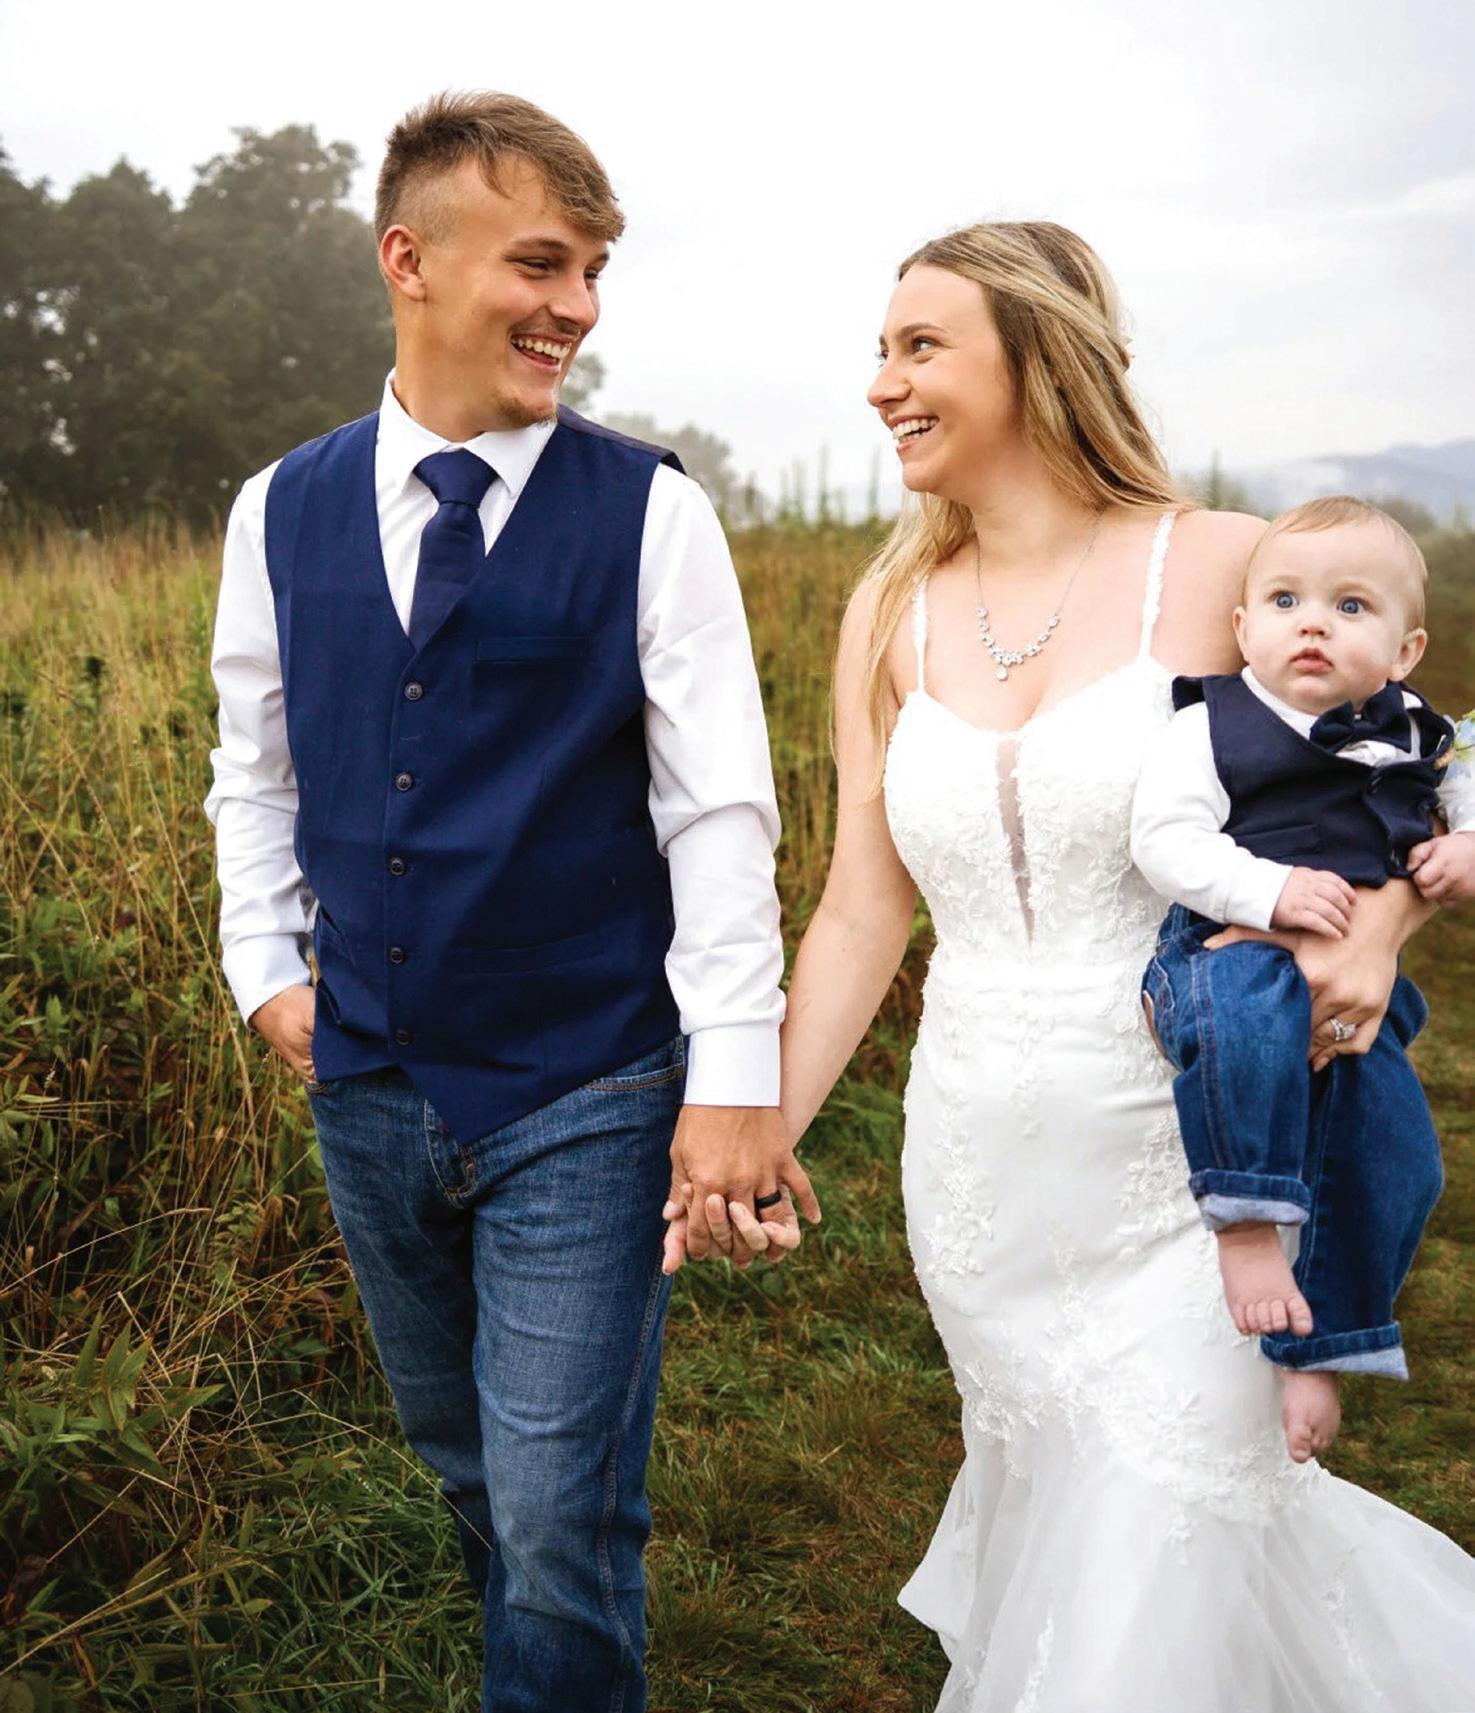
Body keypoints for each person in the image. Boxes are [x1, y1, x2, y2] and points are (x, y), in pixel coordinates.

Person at [763, 221, 1475, 1709]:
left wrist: (1374, 935)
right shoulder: (886, 610)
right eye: (879, 350)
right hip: (979, 1175)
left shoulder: (1221, 564)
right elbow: (858, 913)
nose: (880, 383)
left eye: (918, 346)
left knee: (1154, 1541)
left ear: (1038, 356)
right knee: (1087, 1540)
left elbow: (1415, 773)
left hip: (1196, 1161)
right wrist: (759, 1130)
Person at [204, 90, 816, 1713]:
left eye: (594, 271)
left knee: (556, 1501)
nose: (578, 307)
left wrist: (732, 1075)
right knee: (463, 1458)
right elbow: (253, 766)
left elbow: (718, 810)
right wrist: (262, 961)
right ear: (409, 260)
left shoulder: (651, 511)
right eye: (543, 263)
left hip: (587, 1080)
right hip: (367, 1078)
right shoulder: (277, 508)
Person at [1131, 496, 1475, 1463]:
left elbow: (1461, 782)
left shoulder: (1417, 729)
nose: (1313, 623)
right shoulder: (1214, 726)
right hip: (1224, 947)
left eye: (1349, 606)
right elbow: (1163, 839)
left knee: (1394, 1153)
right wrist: (1269, 890)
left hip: (1357, 981)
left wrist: (1466, 840)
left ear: (1406, 650)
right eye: (1285, 601)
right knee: (1245, 1027)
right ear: (1244, 628)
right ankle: (1243, 1221)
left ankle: (1324, 1341)